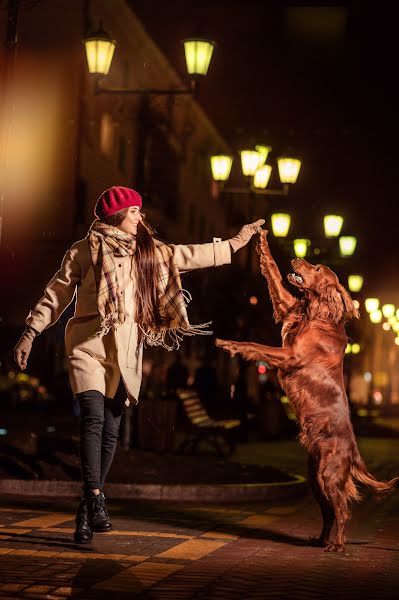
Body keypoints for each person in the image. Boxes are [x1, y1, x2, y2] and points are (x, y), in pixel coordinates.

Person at [14, 186, 263, 544]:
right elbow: (55, 295)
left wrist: (237, 241)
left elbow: (190, 255)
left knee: (112, 428)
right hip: (87, 345)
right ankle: (97, 497)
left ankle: (87, 506)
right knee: (93, 417)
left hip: (126, 350)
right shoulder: (83, 251)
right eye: (134, 212)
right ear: (117, 215)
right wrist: (30, 333)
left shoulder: (150, 253)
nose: (140, 218)